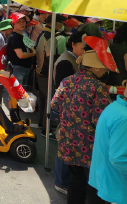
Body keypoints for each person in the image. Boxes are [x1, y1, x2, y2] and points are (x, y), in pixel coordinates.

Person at [51, 36, 114, 204]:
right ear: (94, 67)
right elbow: (100, 119)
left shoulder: (67, 81)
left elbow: (54, 104)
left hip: (69, 140)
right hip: (90, 145)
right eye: (102, 68)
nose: (104, 71)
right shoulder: (98, 87)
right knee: (94, 184)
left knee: (75, 181)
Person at [52, 30, 86, 195]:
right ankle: (61, 181)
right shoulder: (67, 61)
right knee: (65, 147)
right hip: (67, 112)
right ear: (73, 44)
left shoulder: (71, 58)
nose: (85, 50)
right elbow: (62, 90)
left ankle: (62, 180)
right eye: (83, 46)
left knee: (66, 146)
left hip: (69, 112)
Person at [89, 83, 127, 204]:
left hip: (106, 179)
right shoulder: (124, 118)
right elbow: (118, 158)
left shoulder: (114, 107)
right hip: (117, 185)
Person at [35, 14, 66, 137]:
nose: (62, 26)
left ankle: (41, 123)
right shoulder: (50, 36)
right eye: (61, 23)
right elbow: (50, 58)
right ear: (56, 23)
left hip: (40, 70)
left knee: (43, 99)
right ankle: (45, 129)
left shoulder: (43, 33)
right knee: (48, 100)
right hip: (46, 72)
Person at [6, 12, 36, 86]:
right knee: (17, 93)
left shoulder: (23, 35)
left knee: (22, 93)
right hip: (18, 68)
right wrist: (33, 54)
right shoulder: (14, 37)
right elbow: (21, 55)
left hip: (25, 67)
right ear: (13, 24)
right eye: (18, 22)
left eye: (23, 21)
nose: (22, 24)